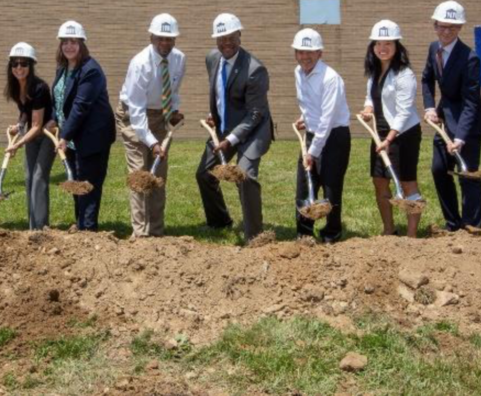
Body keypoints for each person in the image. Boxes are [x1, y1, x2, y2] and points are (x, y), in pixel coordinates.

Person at [196, 13, 274, 242]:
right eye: (221, 38)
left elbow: (255, 113)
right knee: (204, 173)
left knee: (245, 176)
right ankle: (219, 220)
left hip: (254, 130)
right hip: (224, 127)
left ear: (239, 35)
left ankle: (255, 235)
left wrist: (230, 140)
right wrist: (215, 114)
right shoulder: (212, 58)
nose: (226, 43)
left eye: (231, 37)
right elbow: (222, 92)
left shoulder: (255, 69)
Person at [421, 1, 481, 233]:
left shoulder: (469, 58)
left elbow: (471, 102)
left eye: (451, 28)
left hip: (469, 124)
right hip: (445, 117)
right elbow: (426, 79)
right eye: (441, 26)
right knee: (439, 169)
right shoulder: (434, 48)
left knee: (468, 173)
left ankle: (472, 224)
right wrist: (430, 107)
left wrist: (461, 137)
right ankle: (452, 222)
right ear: (435, 26)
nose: (446, 32)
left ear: (459, 28)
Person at [117, 14, 186, 238]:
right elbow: (136, 111)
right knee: (140, 172)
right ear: (151, 37)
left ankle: (156, 231)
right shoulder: (140, 64)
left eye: (170, 38)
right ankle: (140, 232)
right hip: (132, 115)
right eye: (160, 38)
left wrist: (173, 111)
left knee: (158, 174)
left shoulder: (179, 59)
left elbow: (173, 91)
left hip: (161, 115)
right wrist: (152, 142)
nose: (165, 43)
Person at [360, 20, 423, 238]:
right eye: (378, 44)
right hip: (380, 134)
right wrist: (368, 109)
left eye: (388, 43)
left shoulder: (404, 74)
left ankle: (412, 235)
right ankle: (389, 229)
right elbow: (371, 97)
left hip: (403, 135)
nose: (382, 48)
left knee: (406, 182)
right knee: (379, 181)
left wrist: (389, 139)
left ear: (397, 46)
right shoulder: (374, 72)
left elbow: (404, 112)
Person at [52, 21, 116, 231]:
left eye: (74, 41)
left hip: (91, 136)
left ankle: (88, 229)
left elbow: (81, 106)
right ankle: (80, 224)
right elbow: (60, 99)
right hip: (72, 137)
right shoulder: (63, 68)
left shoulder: (91, 70)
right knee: (76, 181)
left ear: (82, 43)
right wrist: (54, 120)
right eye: (65, 42)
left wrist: (65, 135)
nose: (69, 46)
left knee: (88, 184)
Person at [292, 29, 351, 243]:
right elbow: (310, 104)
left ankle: (331, 233)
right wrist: (304, 118)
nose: (304, 57)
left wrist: (313, 152)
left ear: (320, 53)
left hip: (334, 136)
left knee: (330, 187)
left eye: (310, 52)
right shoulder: (298, 72)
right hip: (312, 132)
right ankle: (304, 233)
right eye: (300, 52)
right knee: (305, 183)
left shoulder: (331, 79)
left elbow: (327, 118)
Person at [3, 42, 55, 230]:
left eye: (24, 64)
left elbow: (37, 125)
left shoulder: (39, 88)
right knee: (28, 177)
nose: (19, 68)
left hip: (47, 134)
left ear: (31, 66)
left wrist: (17, 145)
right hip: (31, 133)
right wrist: (18, 125)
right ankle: (33, 226)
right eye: (15, 64)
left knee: (39, 177)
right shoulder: (17, 86)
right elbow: (26, 111)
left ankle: (41, 227)